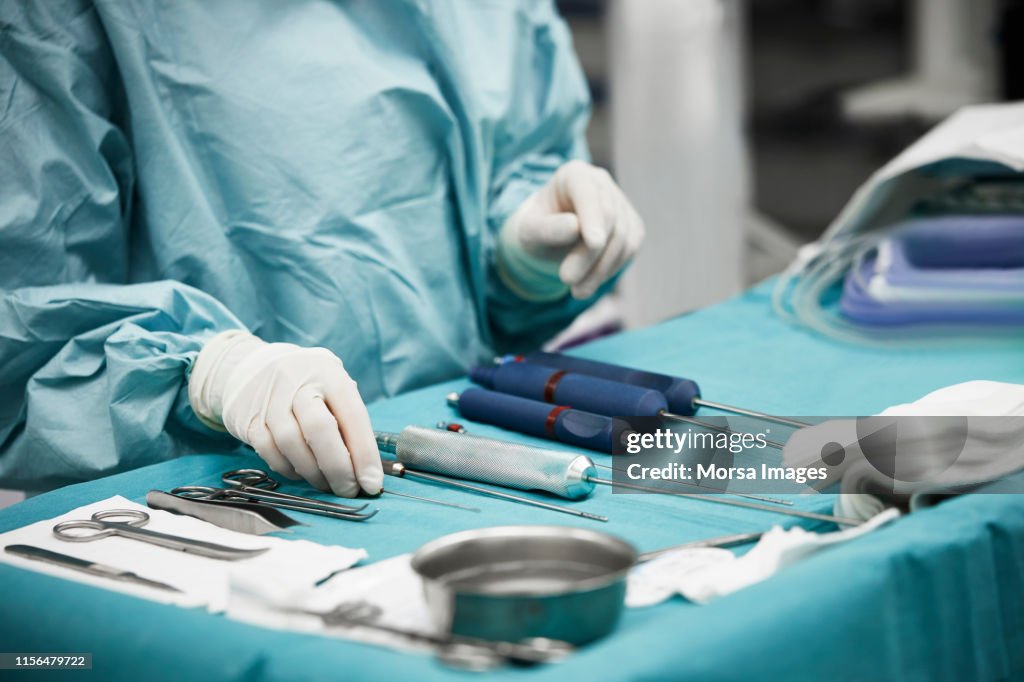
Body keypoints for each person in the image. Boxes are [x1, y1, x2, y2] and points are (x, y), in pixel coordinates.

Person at [0, 1, 645, 496]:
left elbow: (516, 159)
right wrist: (209, 375)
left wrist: (518, 257)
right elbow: (21, 333)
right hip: (208, 499)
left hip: (462, 441)